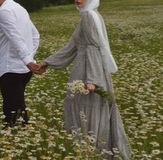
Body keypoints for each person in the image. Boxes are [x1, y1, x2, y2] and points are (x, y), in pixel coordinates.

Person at [37, 0, 132, 159]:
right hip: (84, 70)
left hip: (88, 73)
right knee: (85, 112)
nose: (77, 0)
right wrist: (48, 62)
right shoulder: (88, 16)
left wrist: (92, 80)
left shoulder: (89, 16)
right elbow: (72, 46)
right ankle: (87, 151)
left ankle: (92, 152)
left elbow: (92, 48)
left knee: (87, 112)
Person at [0, 0, 40, 128]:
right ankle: (20, 133)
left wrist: (28, 61)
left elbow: (14, 37)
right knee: (17, 106)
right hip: (24, 71)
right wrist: (29, 59)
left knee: (12, 111)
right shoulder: (19, 8)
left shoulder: (4, 11)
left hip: (11, 69)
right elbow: (35, 35)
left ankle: (17, 136)